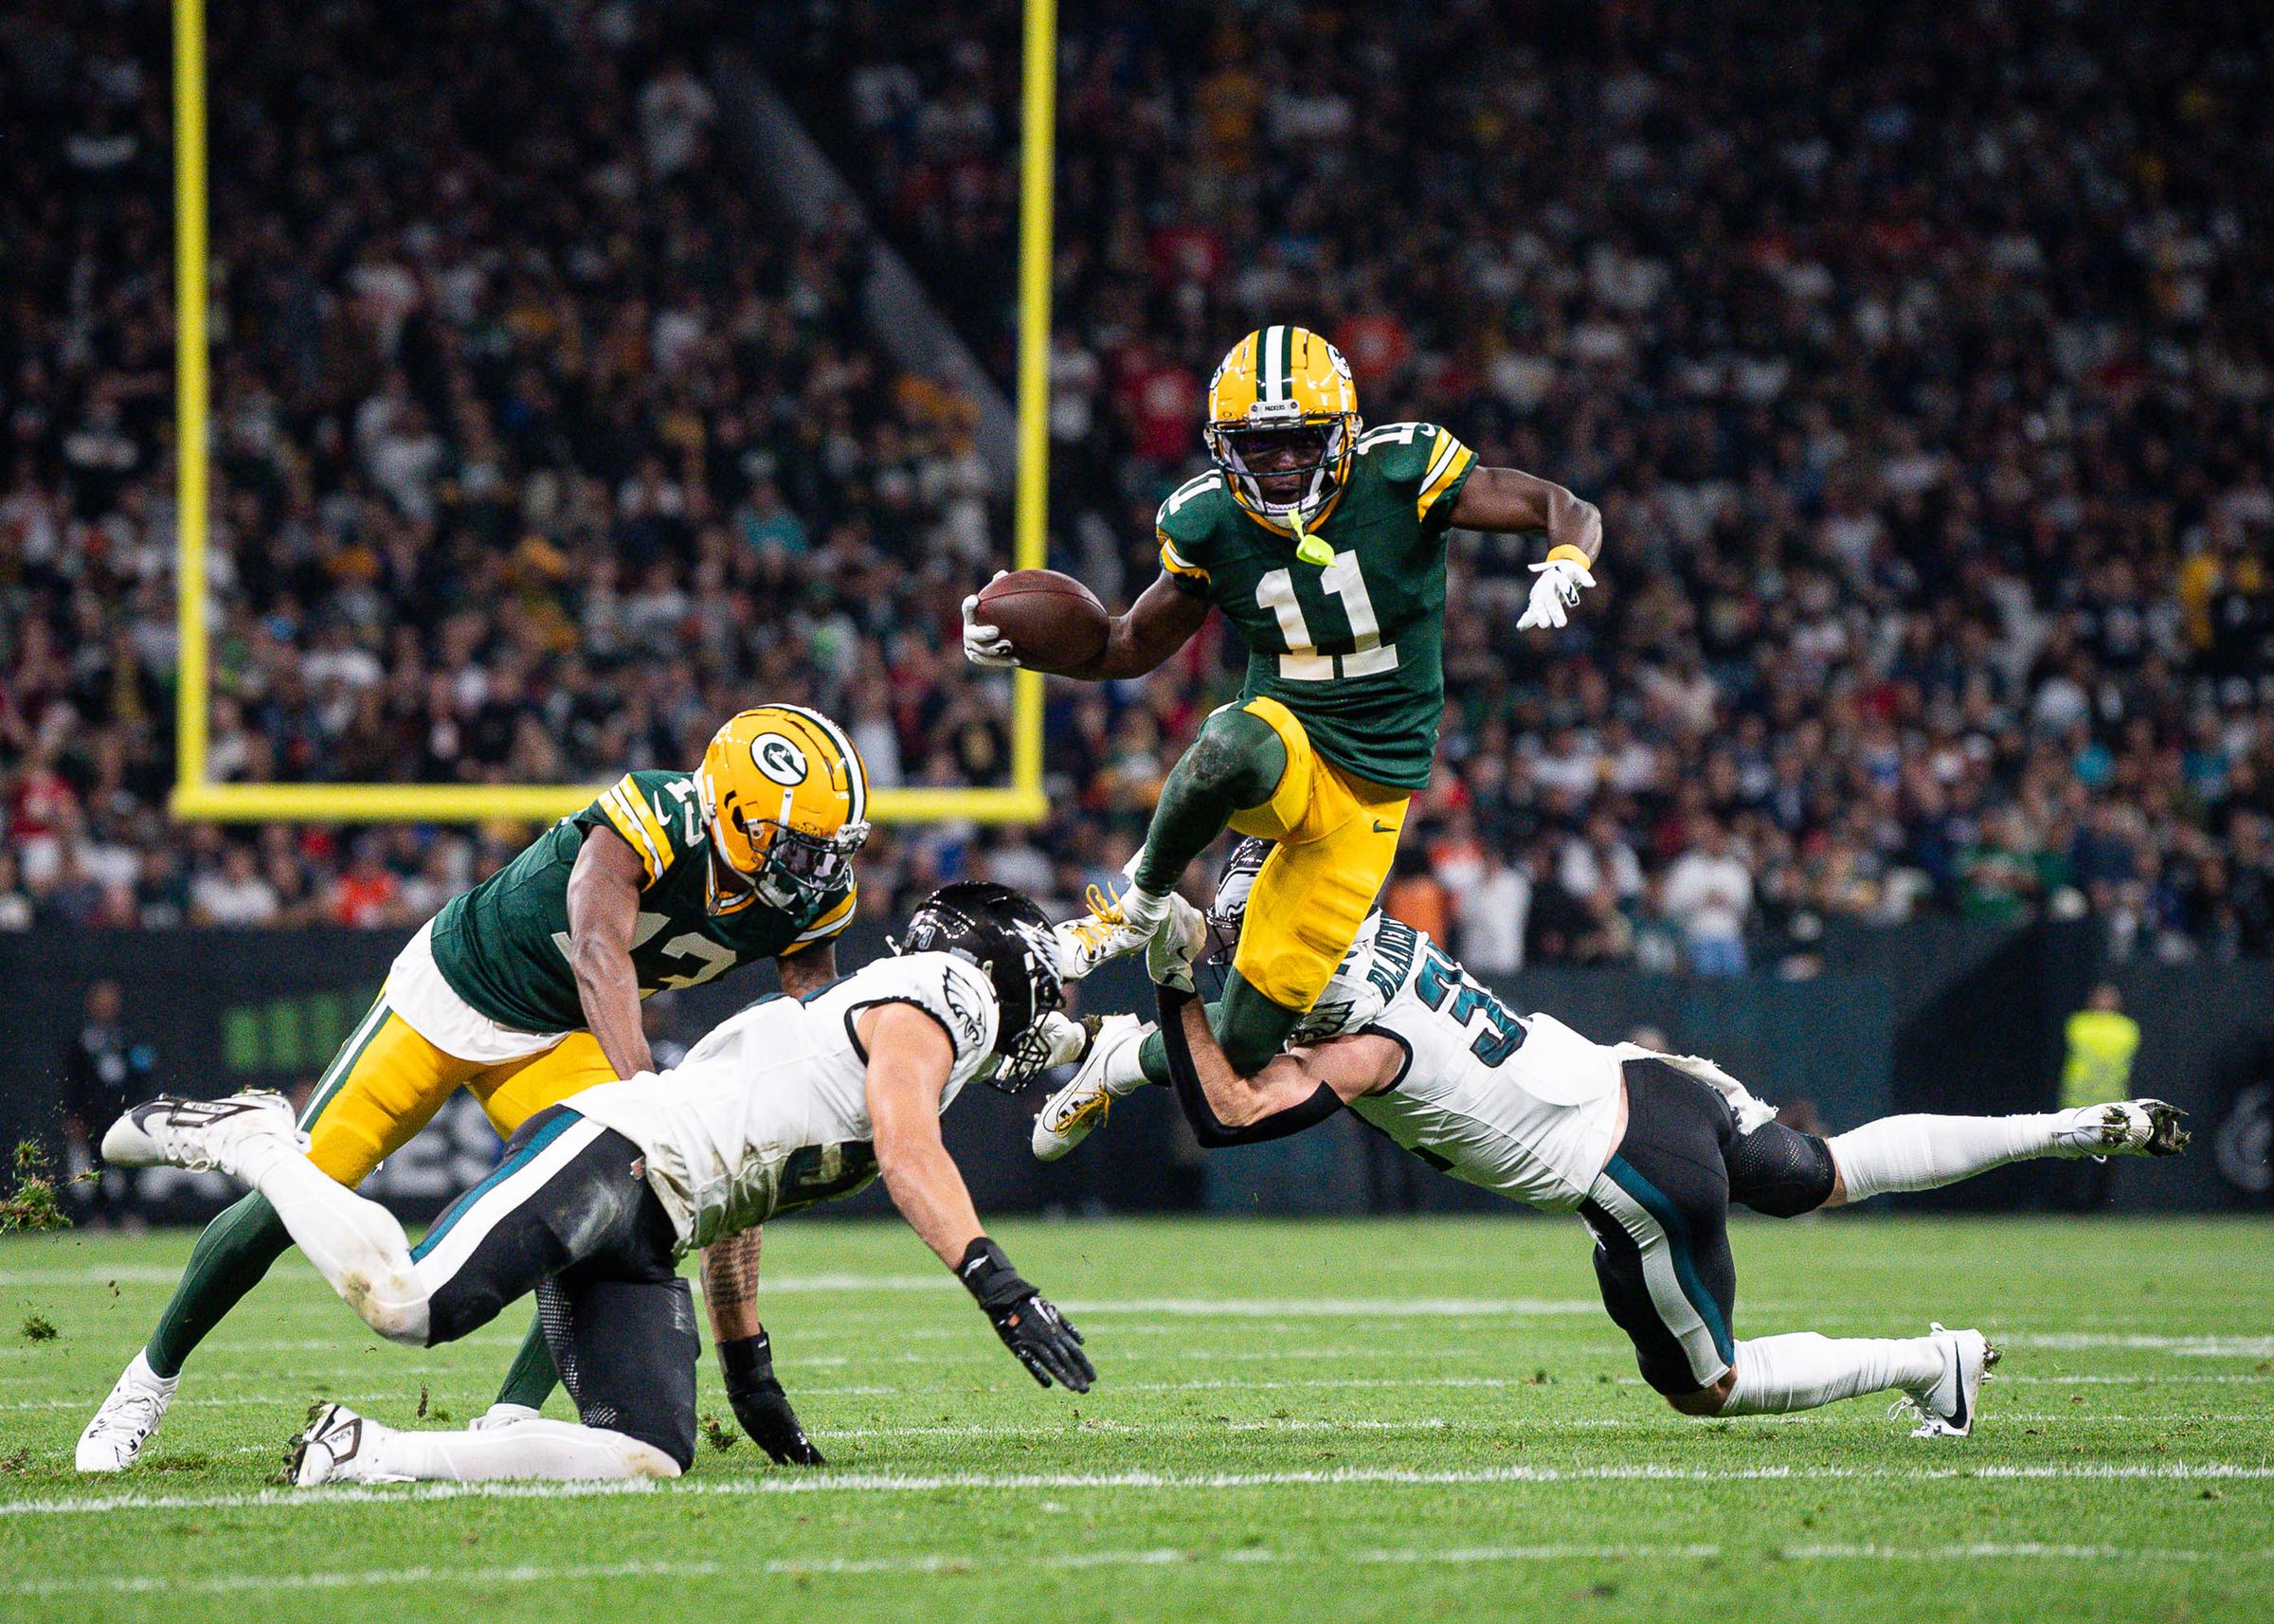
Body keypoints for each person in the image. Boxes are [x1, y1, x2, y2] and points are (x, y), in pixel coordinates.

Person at [1049, 839, 2188, 1435]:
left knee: (1709, 1388)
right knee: (1826, 1168)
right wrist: (1111, 1047)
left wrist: (1162, 982)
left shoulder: (1362, 1041)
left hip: (1636, 1174)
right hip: (1653, 1081)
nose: (1242, 954)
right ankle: (2069, 1127)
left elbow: (1235, 1101)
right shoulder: (1363, 940)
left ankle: (1931, 1366)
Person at [79, 706, 871, 1473]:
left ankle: (512, 1417)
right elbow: (599, 950)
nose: (819, 872)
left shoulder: (812, 900)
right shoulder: (658, 814)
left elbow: (802, 1036)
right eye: (799, 850)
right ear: (734, 816)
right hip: (458, 991)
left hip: (561, 1037)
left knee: (611, 1211)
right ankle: (145, 1382)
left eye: (830, 851)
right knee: (300, 1193)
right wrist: (646, 1093)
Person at [99, 884, 1095, 1484]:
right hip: (609, 1156)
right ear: (990, 962)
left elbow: (742, 1204)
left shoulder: (861, 1026)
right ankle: (255, 1139)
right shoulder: (941, 994)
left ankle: (372, 1455)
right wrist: (993, 1279)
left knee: (648, 1455)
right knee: (405, 1304)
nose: (1034, 1016)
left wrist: (747, 1364)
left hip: (655, 1220)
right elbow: (908, 1145)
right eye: (1034, 987)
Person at [966, 324, 1602, 1141]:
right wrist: (1018, 646)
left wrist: (1567, 559)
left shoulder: (1403, 471)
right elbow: (1124, 645)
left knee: (1234, 1048)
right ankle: (1137, 905)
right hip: (1287, 750)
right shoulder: (1207, 521)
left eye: (1298, 443)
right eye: (1256, 448)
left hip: (1374, 792)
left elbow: (1562, 505)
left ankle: (1112, 1054)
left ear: (1341, 434)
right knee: (1230, 741)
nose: (1279, 466)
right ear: (1223, 447)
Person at [60, 980, 156, 1229]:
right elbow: (73, 1082)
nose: (106, 1007)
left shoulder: (128, 1038)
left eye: (111, 1003)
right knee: (96, 1167)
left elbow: (143, 1072)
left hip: (125, 1114)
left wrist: (143, 1107)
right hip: (94, 1115)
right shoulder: (82, 1042)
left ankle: (131, 1215)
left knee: (132, 1165)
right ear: (91, 1006)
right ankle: (99, 1217)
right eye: (101, 1003)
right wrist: (73, 1115)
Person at [2060, 983, 2144, 1210]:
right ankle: (2073, 1205)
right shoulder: (2079, 1024)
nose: (2104, 1003)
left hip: (2112, 1101)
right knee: (2075, 1157)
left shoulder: (2127, 1028)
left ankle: (2101, 1206)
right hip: (2078, 1101)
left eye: (2109, 998)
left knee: (2107, 1159)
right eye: (2101, 998)